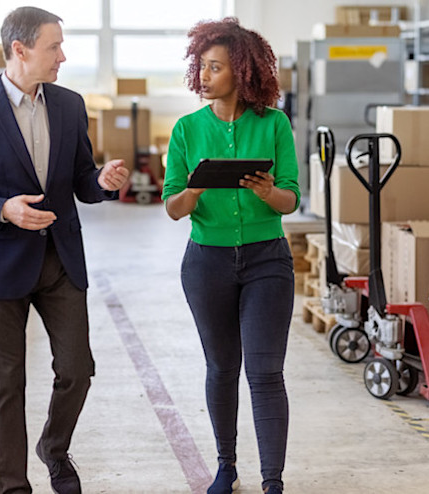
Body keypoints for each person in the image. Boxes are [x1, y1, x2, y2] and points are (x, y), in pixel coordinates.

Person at [0, 6, 130, 494]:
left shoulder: (69, 105)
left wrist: (103, 182)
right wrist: (3, 209)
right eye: (54, 46)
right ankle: (13, 487)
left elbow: (83, 180)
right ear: (19, 50)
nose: (63, 56)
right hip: (3, 265)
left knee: (77, 370)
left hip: (61, 260)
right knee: (6, 384)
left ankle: (54, 448)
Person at [161, 17, 299, 494]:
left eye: (214, 67)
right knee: (221, 368)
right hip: (207, 264)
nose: (203, 75)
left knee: (265, 372)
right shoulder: (185, 130)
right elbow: (173, 208)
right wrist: (196, 187)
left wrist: (267, 191)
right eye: (201, 66)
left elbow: (291, 200)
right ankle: (226, 466)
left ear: (240, 72)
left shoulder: (275, 124)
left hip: (267, 261)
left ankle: (273, 480)